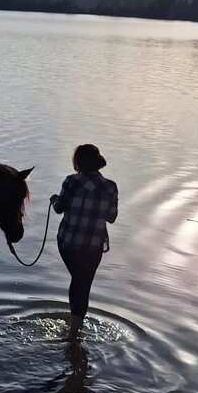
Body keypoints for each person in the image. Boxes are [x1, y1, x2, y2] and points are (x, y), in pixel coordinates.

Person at [50, 143, 118, 341]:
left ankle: (73, 331)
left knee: (79, 282)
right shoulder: (110, 186)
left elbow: (59, 208)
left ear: (78, 162)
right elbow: (112, 217)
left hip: (68, 243)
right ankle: (74, 332)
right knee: (82, 284)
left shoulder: (71, 182)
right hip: (93, 245)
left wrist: (54, 199)